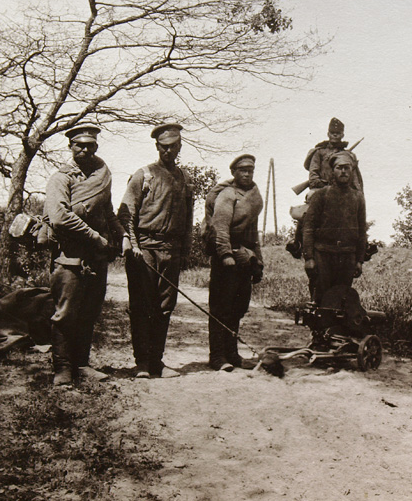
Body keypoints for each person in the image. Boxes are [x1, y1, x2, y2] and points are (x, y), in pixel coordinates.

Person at [44, 123, 125, 387]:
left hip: (97, 258)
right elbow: (59, 218)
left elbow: (108, 212)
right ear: (70, 147)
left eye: (91, 145)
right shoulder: (61, 179)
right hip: (69, 258)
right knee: (65, 314)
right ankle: (63, 369)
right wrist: (95, 238)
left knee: (89, 313)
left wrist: (122, 235)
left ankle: (81, 364)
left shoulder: (102, 176)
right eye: (80, 145)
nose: (86, 150)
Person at [118, 124, 194, 379]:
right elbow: (126, 212)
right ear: (157, 147)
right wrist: (133, 245)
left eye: (174, 146)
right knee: (141, 306)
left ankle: (156, 362)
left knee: (164, 306)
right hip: (145, 249)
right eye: (164, 146)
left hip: (170, 249)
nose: (169, 150)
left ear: (180, 147)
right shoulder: (144, 175)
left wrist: (184, 251)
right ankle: (142, 363)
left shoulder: (182, 177)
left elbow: (188, 216)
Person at [207, 155, 264, 372]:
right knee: (221, 307)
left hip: (244, 256)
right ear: (234, 173)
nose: (247, 174)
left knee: (238, 308)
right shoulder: (227, 195)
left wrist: (258, 262)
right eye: (243, 170)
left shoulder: (253, 197)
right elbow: (220, 227)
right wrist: (225, 255)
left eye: (250, 170)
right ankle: (217, 356)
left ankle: (232, 353)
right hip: (227, 258)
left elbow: (253, 233)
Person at [286, 116, 363, 259]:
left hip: (343, 189)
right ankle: (297, 242)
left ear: (342, 135)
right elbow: (313, 176)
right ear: (328, 134)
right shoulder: (319, 152)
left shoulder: (349, 155)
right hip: (320, 189)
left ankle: (363, 245)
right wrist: (326, 186)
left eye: (338, 133)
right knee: (309, 207)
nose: (335, 135)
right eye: (332, 133)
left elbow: (355, 179)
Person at [302, 151, 367, 305]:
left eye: (347, 168)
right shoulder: (321, 195)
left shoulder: (358, 197)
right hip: (323, 255)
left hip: (347, 256)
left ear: (352, 171)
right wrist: (309, 258)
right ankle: (319, 330)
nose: (343, 171)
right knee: (321, 300)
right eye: (339, 168)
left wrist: (359, 260)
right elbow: (308, 228)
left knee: (342, 301)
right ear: (332, 171)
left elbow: (362, 230)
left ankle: (335, 330)